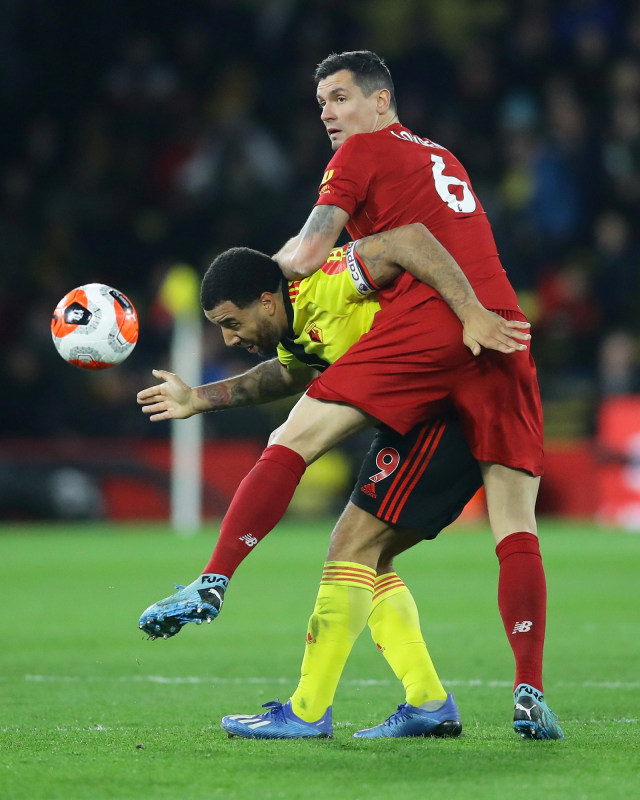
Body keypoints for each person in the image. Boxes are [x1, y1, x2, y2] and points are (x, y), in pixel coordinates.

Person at [140, 49, 563, 740]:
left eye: (340, 98)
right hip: (504, 333)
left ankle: (216, 583)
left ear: (382, 102)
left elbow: (318, 252)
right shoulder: (440, 159)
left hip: (438, 321)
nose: (329, 114)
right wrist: (204, 395)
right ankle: (522, 690)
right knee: (507, 524)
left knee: (293, 442)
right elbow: (295, 363)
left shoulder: (362, 159)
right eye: (321, 105)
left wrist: (263, 279)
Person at [138, 224, 527, 740]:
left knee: (346, 538)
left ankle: (304, 708)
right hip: (417, 416)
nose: (229, 339)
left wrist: (471, 308)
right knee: (369, 555)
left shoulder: (328, 280)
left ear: (267, 300)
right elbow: (284, 375)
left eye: (233, 323)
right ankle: (429, 702)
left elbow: (406, 241)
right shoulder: (293, 330)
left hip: (446, 407)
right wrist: (198, 399)